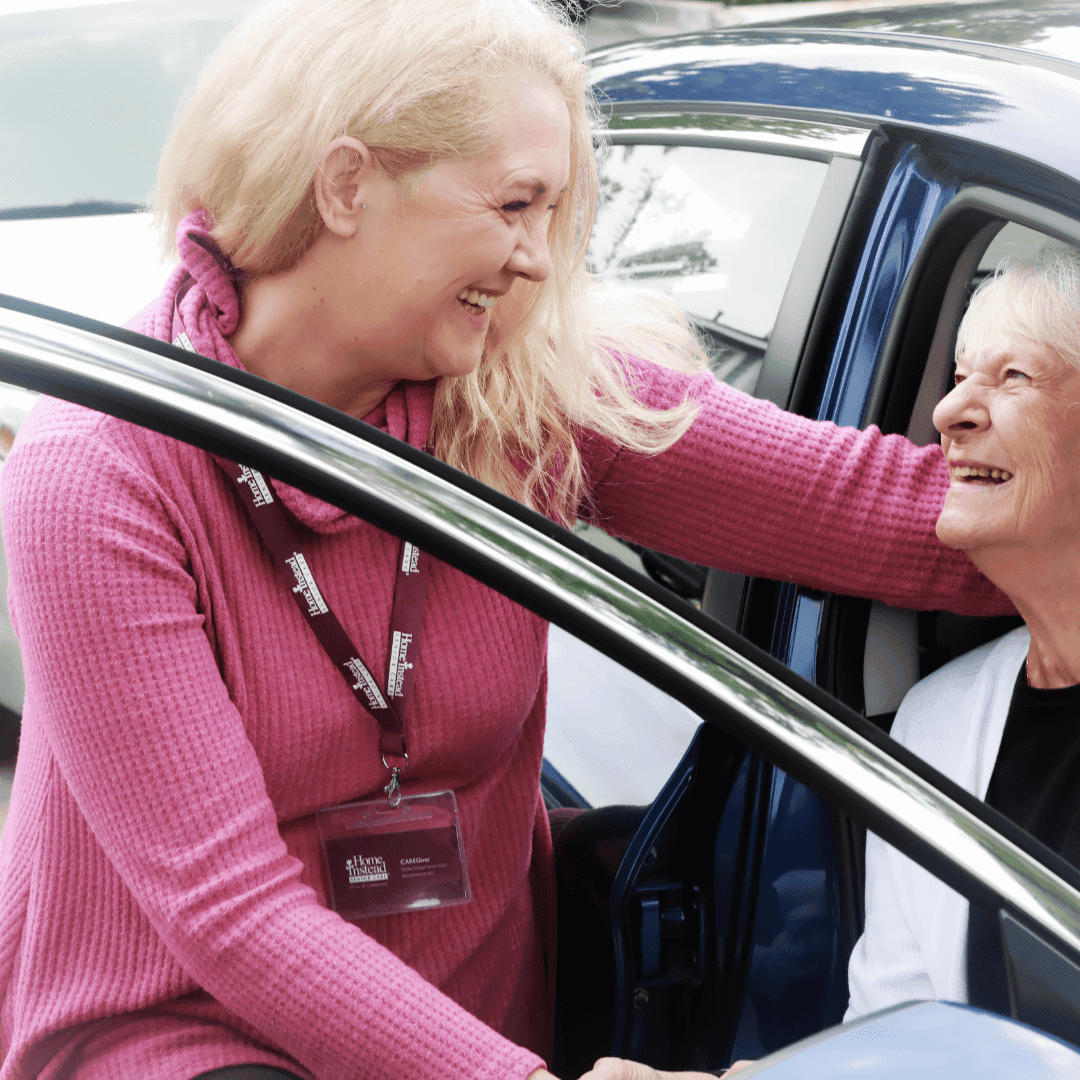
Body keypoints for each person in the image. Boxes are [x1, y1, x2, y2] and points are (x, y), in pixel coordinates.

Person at [0, 1, 1010, 1078]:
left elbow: (879, 513)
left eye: (556, 212)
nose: (537, 259)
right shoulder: (100, 472)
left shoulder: (518, 392)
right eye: (514, 205)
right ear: (346, 185)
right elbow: (229, 908)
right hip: (190, 1029)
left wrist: (1041, 515)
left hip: (475, 1025)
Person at [846, 240, 1080, 1020]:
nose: (948, 414)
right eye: (957, 378)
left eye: (1014, 376)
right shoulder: (936, 722)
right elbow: (898, 1037)